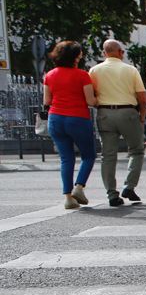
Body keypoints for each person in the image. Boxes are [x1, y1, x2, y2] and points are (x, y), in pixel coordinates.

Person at [89, 39, 146, 206]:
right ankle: (129, 186)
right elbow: (142, 99)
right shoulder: (130, 70)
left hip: (104, 113)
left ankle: (111, 194)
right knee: (136, 151)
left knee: (108, 156)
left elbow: (90, 96)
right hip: (128, 113)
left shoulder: (94, 70)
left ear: (103, 53)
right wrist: (142, 117)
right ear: (121, 52)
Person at [43, 40, 98, 209]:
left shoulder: (49, 75)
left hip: (56, 119)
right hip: (78, 119)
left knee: (66, 159)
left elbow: (47, 101)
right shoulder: (82, 75)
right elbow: (91, 101)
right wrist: (99, 99)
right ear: (75, 57)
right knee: (89, 155)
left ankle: (68, 197)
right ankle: (79, 187)